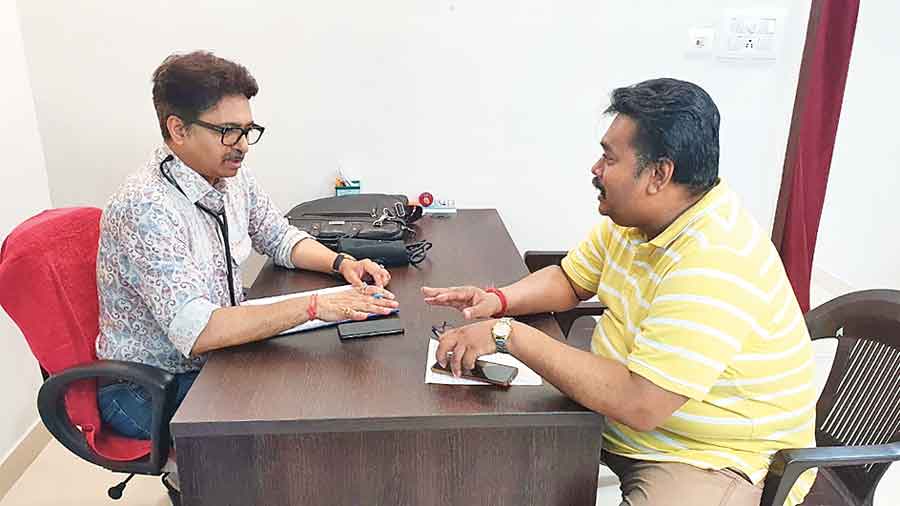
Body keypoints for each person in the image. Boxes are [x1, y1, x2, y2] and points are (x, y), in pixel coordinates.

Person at [422, 78, 816, 506]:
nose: (595, 169)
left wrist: (506, 334)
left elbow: (642, 402)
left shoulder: (714, 258)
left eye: (609, 158)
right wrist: (498, 300)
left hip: (709, 453)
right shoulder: (636, 221)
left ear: (658, 175)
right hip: (621, 417)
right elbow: (570, 279)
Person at [95, 51, 399, 463]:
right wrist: (314, 305)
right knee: (293, 421)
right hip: (151, 384)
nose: (242, 147)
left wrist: (340, 264)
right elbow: (199, 331)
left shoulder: (228, 177)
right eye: (227, 131)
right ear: (178, 129)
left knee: (326, 381)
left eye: (247, 130)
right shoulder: (146, 208)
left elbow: (277, 235)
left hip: (216, 355)